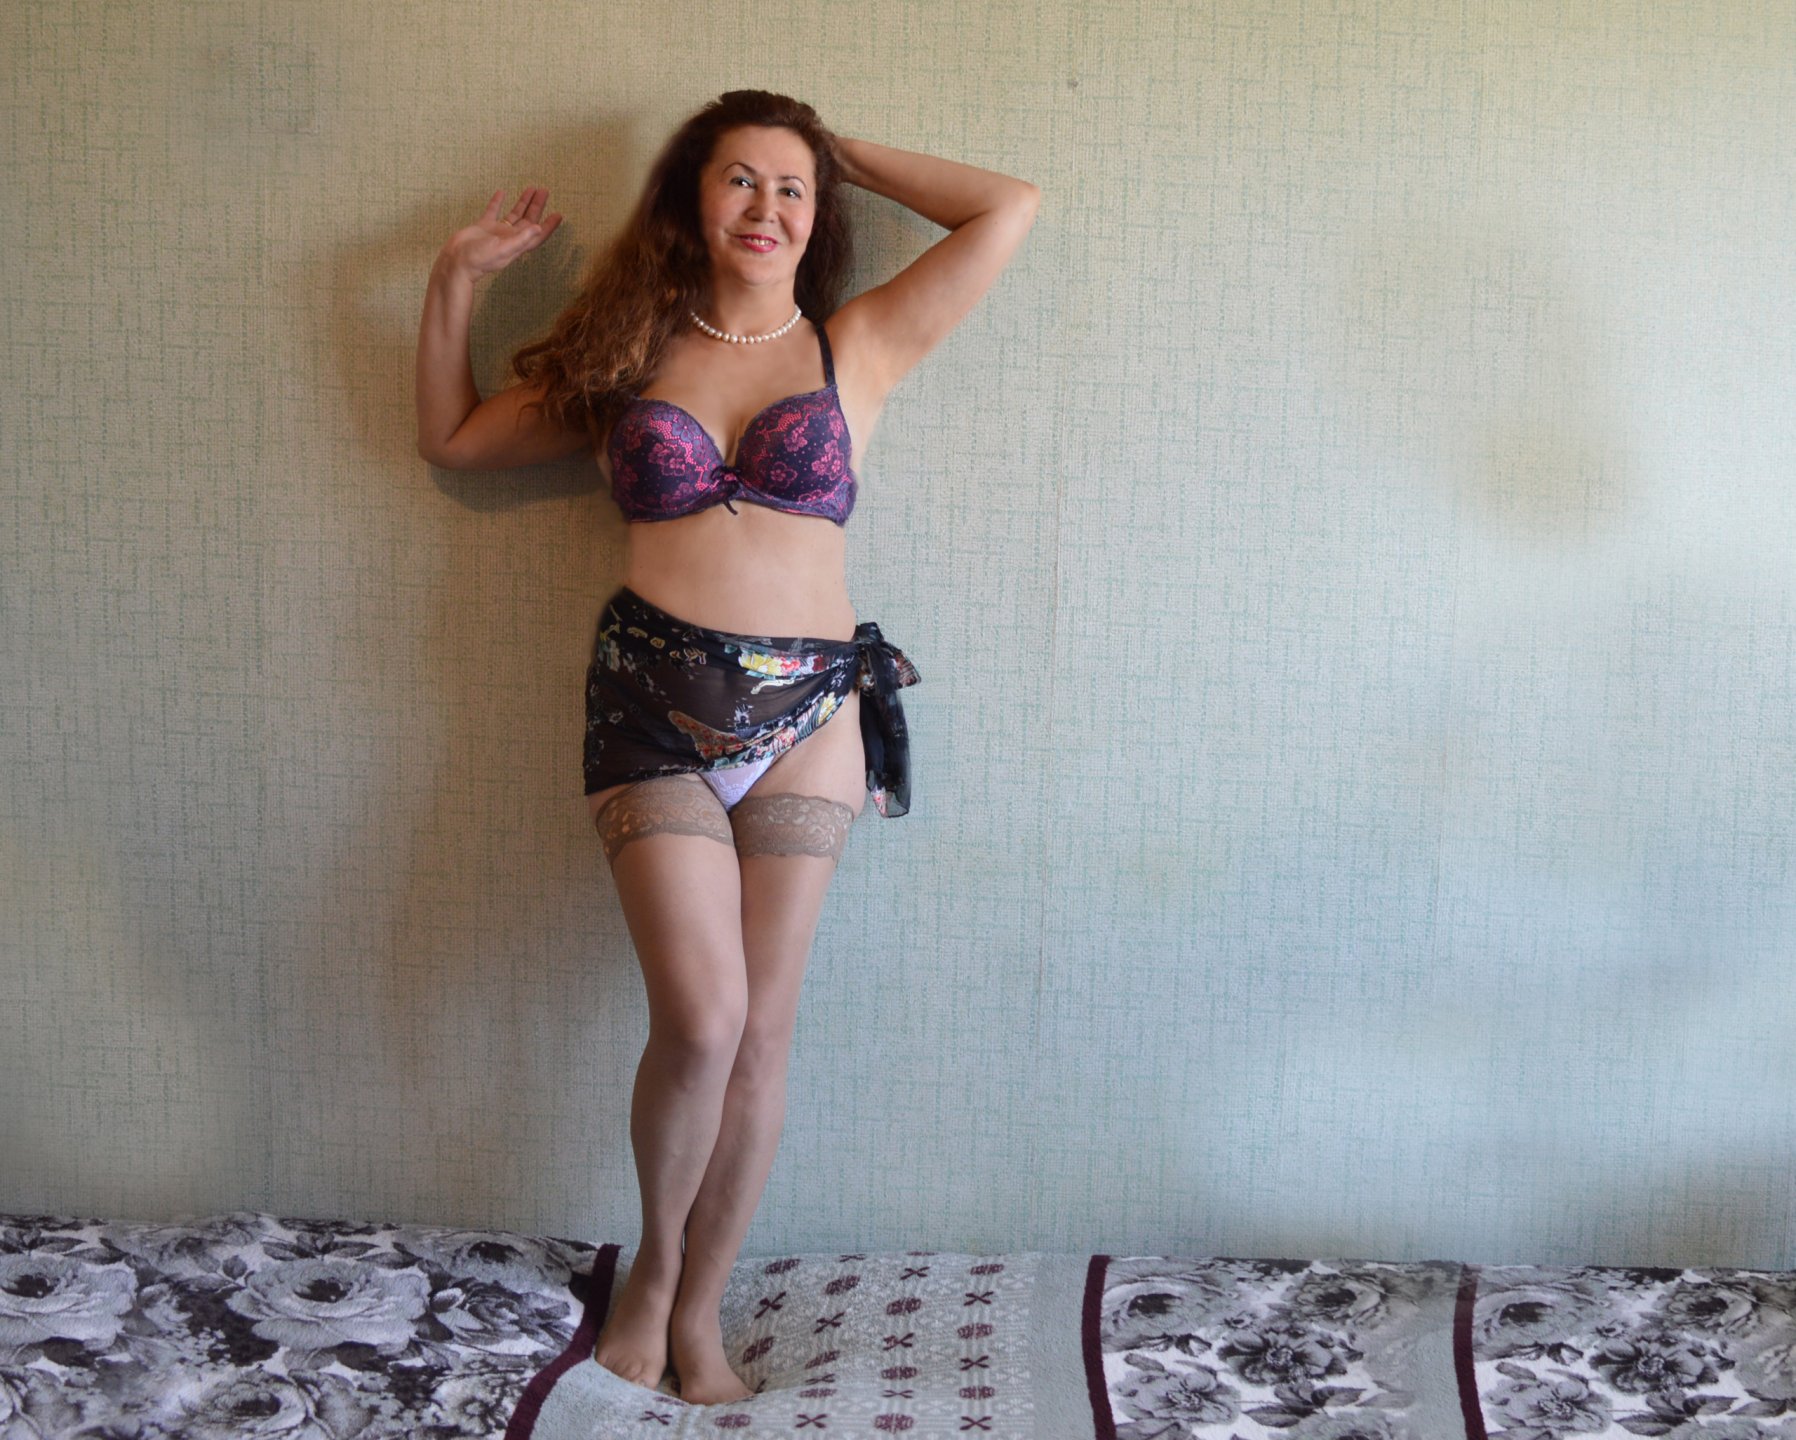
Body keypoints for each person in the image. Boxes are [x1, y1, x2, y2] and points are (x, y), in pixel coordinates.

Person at [414, 89, 1038, 1405]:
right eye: (740, 179)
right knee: (702, 1021)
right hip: (652, 710)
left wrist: (832, 146)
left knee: (763, 1036)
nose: (767, 206)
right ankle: (651, 1272)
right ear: (692, 200)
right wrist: (455, 280)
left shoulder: (857, 346)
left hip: (813, 722)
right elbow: (456, 441)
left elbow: (1008, 207)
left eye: (791, 189)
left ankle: (697, 1308)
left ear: (820, 214)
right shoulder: (625, 354)